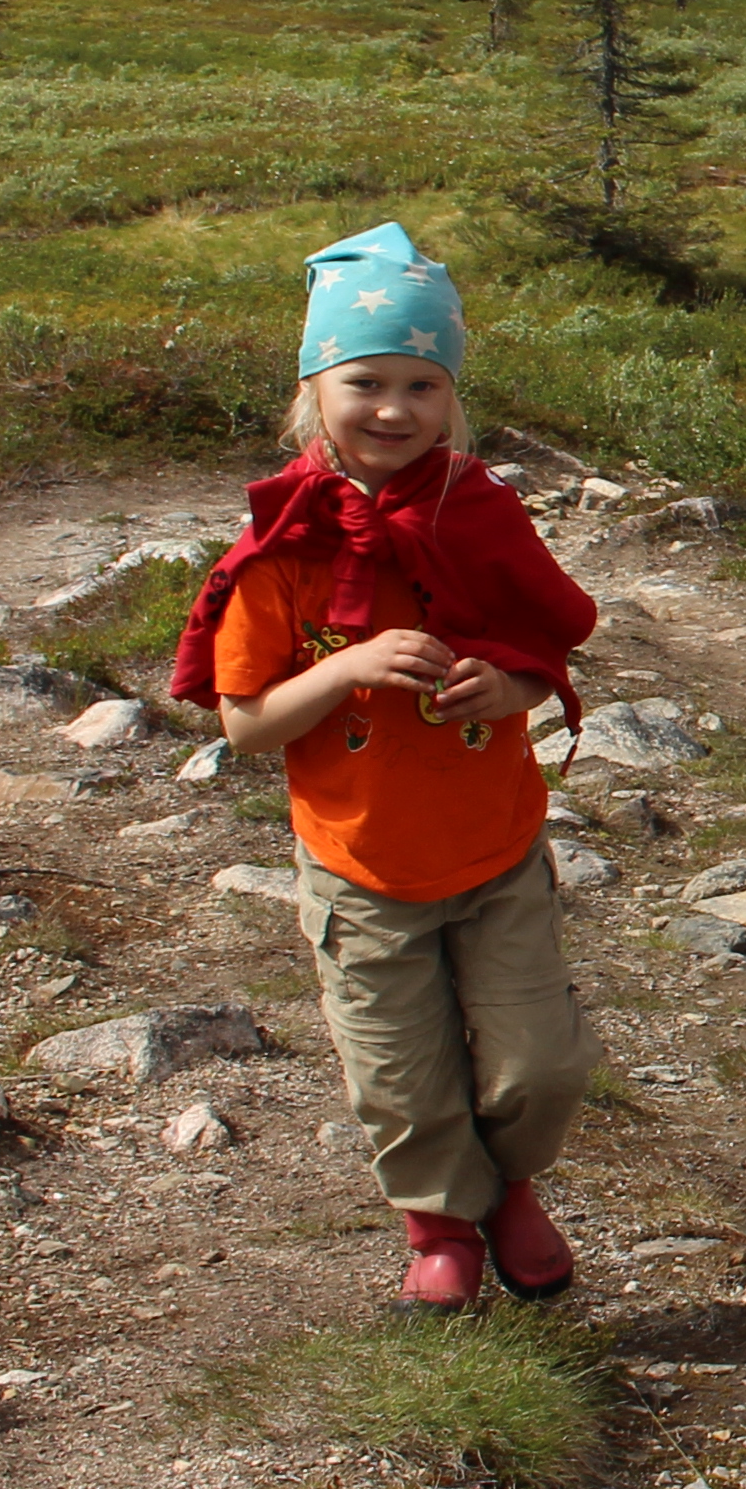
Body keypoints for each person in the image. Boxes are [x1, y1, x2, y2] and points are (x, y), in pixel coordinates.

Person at [175, 225, 604, 1314]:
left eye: (423, 384)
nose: (394, 409)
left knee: (539, 1069)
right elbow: (244, 723)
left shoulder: (481, 514)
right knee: (401, 1076)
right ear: (315, 387)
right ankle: (443, 1221)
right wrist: (355, 665)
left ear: (452, 400)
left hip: (495, 846)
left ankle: (509, 1186)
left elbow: (543, 640)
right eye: (365, 381)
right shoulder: (283, 552)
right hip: (360, 865)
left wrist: (510, 690)